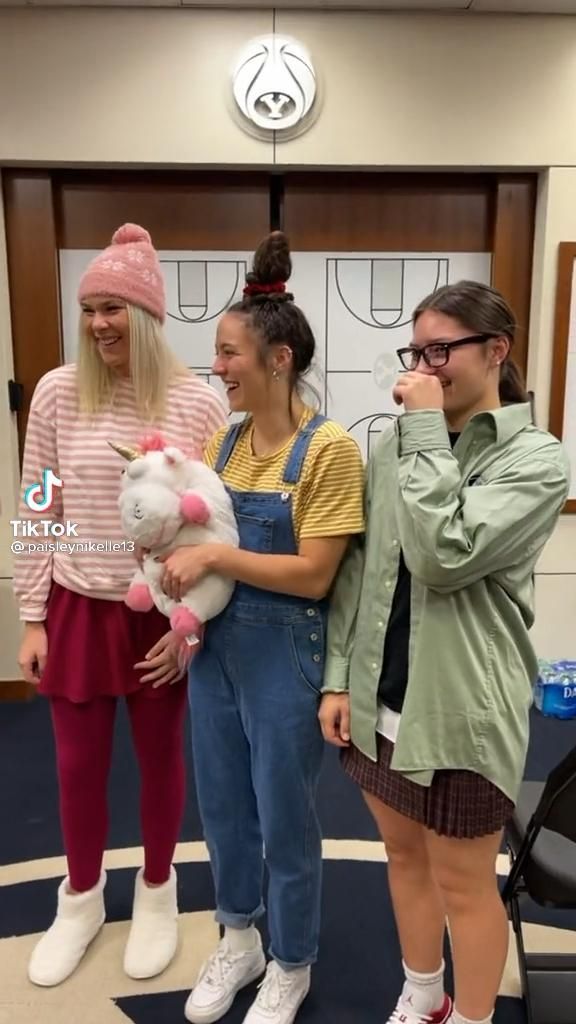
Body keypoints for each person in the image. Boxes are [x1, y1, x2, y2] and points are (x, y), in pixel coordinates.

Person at [319, 280, 570, 1024]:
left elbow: (443, 555)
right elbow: (360, 573)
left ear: (496, 351)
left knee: (465, 885)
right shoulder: (395, 445)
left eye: (441, 352)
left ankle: (471, 1017)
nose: (423, 370)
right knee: (403, 857)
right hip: (381, 698)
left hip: (461, 711)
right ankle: (423, 993)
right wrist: (339, 680)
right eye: (416, 352)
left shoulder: (538, 459)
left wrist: (424, 431)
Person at [157, 230, 365, 1024]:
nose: (219, 366)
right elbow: (201, 555)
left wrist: (213, 554)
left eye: (230, 352)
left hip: (288, 654)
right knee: (223, 808)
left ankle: (293, 960)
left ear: (279, 360)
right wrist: (181, 618)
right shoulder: (224, 440)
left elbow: (315, 574)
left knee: (285, 817)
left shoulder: (331, 451)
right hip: (216, 656)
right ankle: (238, 937)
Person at [14, 223, 227, 988]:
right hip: (76, 606)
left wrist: (190, 624)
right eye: (91, 307)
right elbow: (38, 506)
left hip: (161, 611)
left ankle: (159, 893)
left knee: (162, 760)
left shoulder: (198, 403)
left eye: (116, 308)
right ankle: (79, 900)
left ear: (148, 316)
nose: (101, 323)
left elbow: (213, 517)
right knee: (76, 766)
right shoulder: (56, 392)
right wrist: (33, 616)